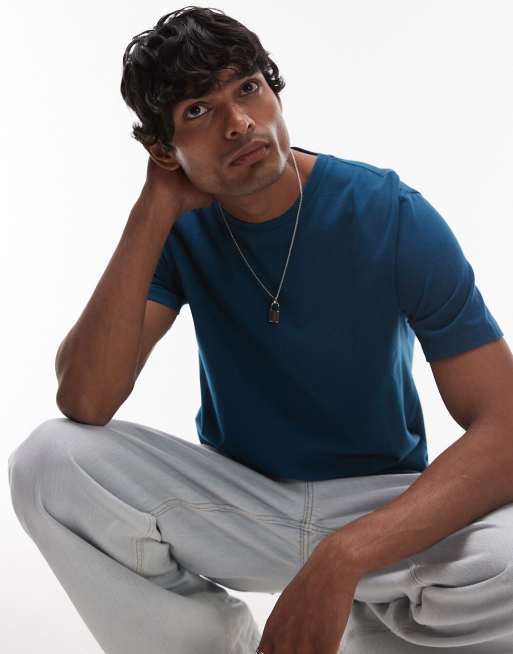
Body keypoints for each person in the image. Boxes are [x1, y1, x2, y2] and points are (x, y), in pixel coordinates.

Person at [8, 6, 513, 654]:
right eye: (198, 110)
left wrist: (344, 556)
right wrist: (155, 204)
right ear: (163, 148)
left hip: (373, 502)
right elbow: (85, 399)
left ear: (272, 91)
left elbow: (505, 431)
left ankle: (374, 632)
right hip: (239, 507)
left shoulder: (389, 214)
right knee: (48, 463)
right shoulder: (177, 229)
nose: (239, 123)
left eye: (247, 88)